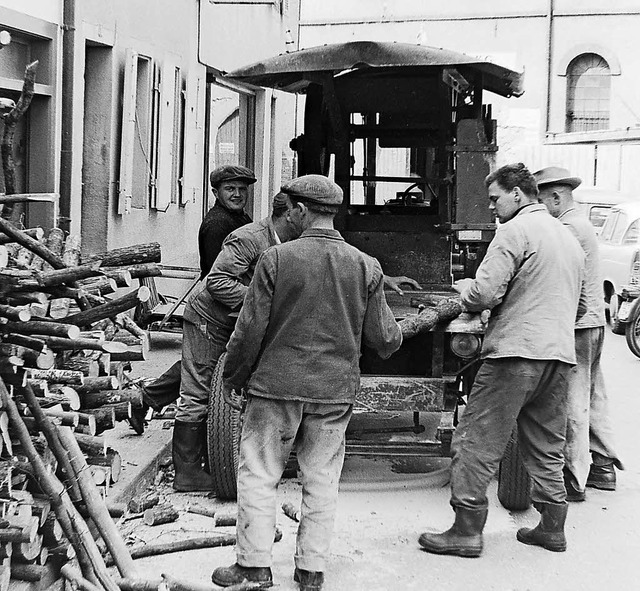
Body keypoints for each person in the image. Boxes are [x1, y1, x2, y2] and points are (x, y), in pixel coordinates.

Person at [211, 174, 438, 590]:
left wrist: (233, 377)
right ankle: (311, 571)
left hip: (275, 388)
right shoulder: (366, 266)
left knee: (260, 475)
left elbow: (249, 331)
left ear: (299, 211)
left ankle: (254, 566)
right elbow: (385, 340)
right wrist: (411, 325)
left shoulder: (277, 260)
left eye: (291, 209)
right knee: (321, 479)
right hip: (334, 392)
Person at [417, 163, 586, 558]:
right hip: (558, 356)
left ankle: (466, 531)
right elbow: (579, 306)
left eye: (495, 198)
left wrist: (465, 287)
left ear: (517, 194)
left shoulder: (514, 231)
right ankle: (551, 528)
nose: (492, 207)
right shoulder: (567, 238)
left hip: (515, 355)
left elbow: (483, 294)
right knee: (546, 445)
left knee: (476, 440)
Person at [171, 190, 304, 492]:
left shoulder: (288, 242)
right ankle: (187, 473)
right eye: (302, 215)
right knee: (198, 388)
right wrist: (262, 300)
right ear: (288, 215)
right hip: (209, 319)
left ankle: (220, 457)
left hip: (237, 321)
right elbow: (217, 281)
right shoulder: (249, 238)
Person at [129, 165, 256, 434]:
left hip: (226, 304)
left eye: (242, 190)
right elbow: (216, 276)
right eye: (230, 189)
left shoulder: (239, 219)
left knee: (201, 363)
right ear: (215, 192)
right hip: (217, 306)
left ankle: (148, 398)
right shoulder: (218, 224)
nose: (237, 194)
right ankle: (147, 399)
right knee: (202, 365)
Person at [534, 166, 623, 501]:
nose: (540, 208)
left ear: (556, 198)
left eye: (541, 201)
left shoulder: (567, 227)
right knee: (592, 395)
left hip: (578, 326)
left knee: (571, 401)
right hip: (595, 324)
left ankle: (574, 477)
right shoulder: (580, 224)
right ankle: (603, 466)